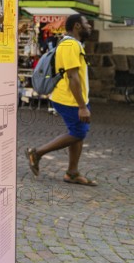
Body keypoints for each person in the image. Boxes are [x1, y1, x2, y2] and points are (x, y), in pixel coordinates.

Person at [25, 14, 98, 186]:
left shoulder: (73, 44)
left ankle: (72, 173)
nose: (90, 26)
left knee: (77, 133)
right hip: (69, 99)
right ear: (77, 26)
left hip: (74, 98)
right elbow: (72, 77)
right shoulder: (71, 45)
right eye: (86, 23)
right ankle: (37, 153)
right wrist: (82, 106)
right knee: (78, 132)